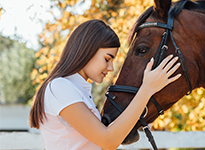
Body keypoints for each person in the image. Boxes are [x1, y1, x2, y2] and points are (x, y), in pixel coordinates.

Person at [29, 19, 182, 150]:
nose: (110, 68)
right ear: (87, 50)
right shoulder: (60, 88)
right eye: (107, 59)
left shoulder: (77, 91)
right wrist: (147, 89)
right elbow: (108, 141)